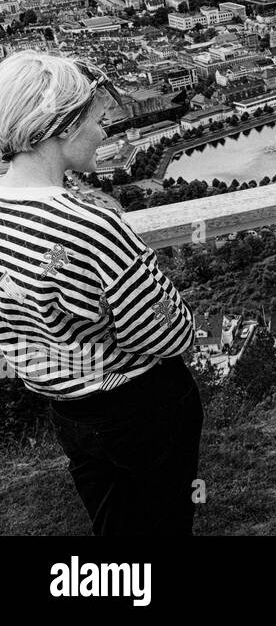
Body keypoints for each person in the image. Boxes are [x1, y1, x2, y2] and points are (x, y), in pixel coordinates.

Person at [0, 52, 202, 536]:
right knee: (167, 523)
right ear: (62, 126)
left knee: (115, 525)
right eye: (98, 120)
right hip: (140, 407)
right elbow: (166, 335)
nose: (106, 133)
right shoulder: (91, 226)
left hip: (68, 410)